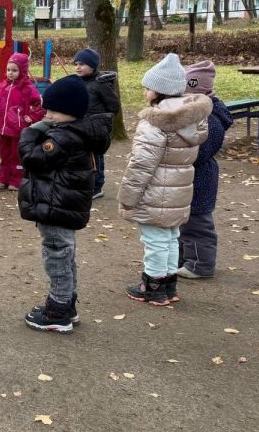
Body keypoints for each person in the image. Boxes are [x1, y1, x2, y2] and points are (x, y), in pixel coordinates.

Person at [18, 76, 111, 332]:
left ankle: (58, 311)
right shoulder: (75, 131)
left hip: (56, 207)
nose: (47, 115)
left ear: (71, 111)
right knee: (64, 255)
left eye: (52, 111)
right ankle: (66, 304)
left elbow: (31, 157)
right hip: (61, 205)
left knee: (57, 256)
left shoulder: (63, 137)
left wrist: (30, 131)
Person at [120, 53, 211, 306]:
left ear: (159, 90)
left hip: (155, 192)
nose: (145, 92)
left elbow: (141, 165)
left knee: (155, 239)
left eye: (148, 87)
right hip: (177, 192)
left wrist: (128, 196)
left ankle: (153, 286)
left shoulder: (155, 123)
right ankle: (169, 284)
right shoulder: (192, 120)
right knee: (170, 236)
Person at [176, 60, 233, 280]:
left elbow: (200, 153)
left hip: (201, 179)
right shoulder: (197, 116)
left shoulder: (212, 121)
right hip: (188, 178)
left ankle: (201, 264)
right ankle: (185, 258)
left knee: (198, 224)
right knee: (184, 223)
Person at [73, 48, 120, 199]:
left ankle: (97, 185)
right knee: (82, 155)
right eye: (76, 64)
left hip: (96, 128)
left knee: (96, 157)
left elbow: (113, 106)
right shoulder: (78, 82)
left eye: (82, 64)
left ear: (93, 66)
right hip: (80, 124)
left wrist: (101, 120)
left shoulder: (101, 84)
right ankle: (84, 183)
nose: (78, 67)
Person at [0, 52, 42, 191]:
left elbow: (40, 105)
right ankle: (3, 178)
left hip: (19, 130)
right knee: (4, 154)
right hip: (4, 128)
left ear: (23, 71)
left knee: (16, 155)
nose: (10, 73)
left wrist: (31, 117)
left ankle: (16, 179)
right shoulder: (4, 87)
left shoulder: (28, 89)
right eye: (8, 70)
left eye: (14, 70)